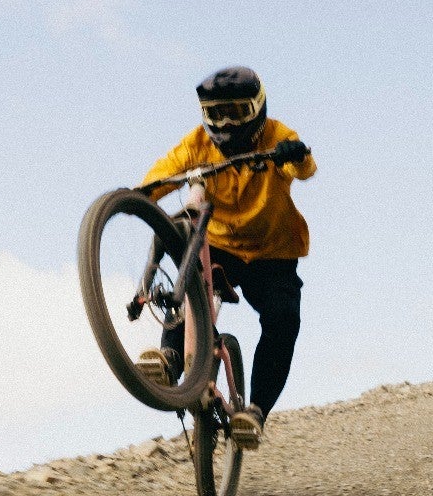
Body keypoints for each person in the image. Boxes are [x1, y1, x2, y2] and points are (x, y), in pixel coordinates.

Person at [135, 66, 315, 449]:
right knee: (189, 278)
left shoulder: (276, 136)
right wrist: (133, 198)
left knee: (283, 320)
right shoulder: (196, 144)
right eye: (217, 114)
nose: (226, 122)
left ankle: (256, 412)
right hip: (222, 245)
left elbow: (304, 168)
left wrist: (295, 154)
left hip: (272, 252)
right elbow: (160, 178)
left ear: (257, 108)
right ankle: (169, 356)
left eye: (236, 112)